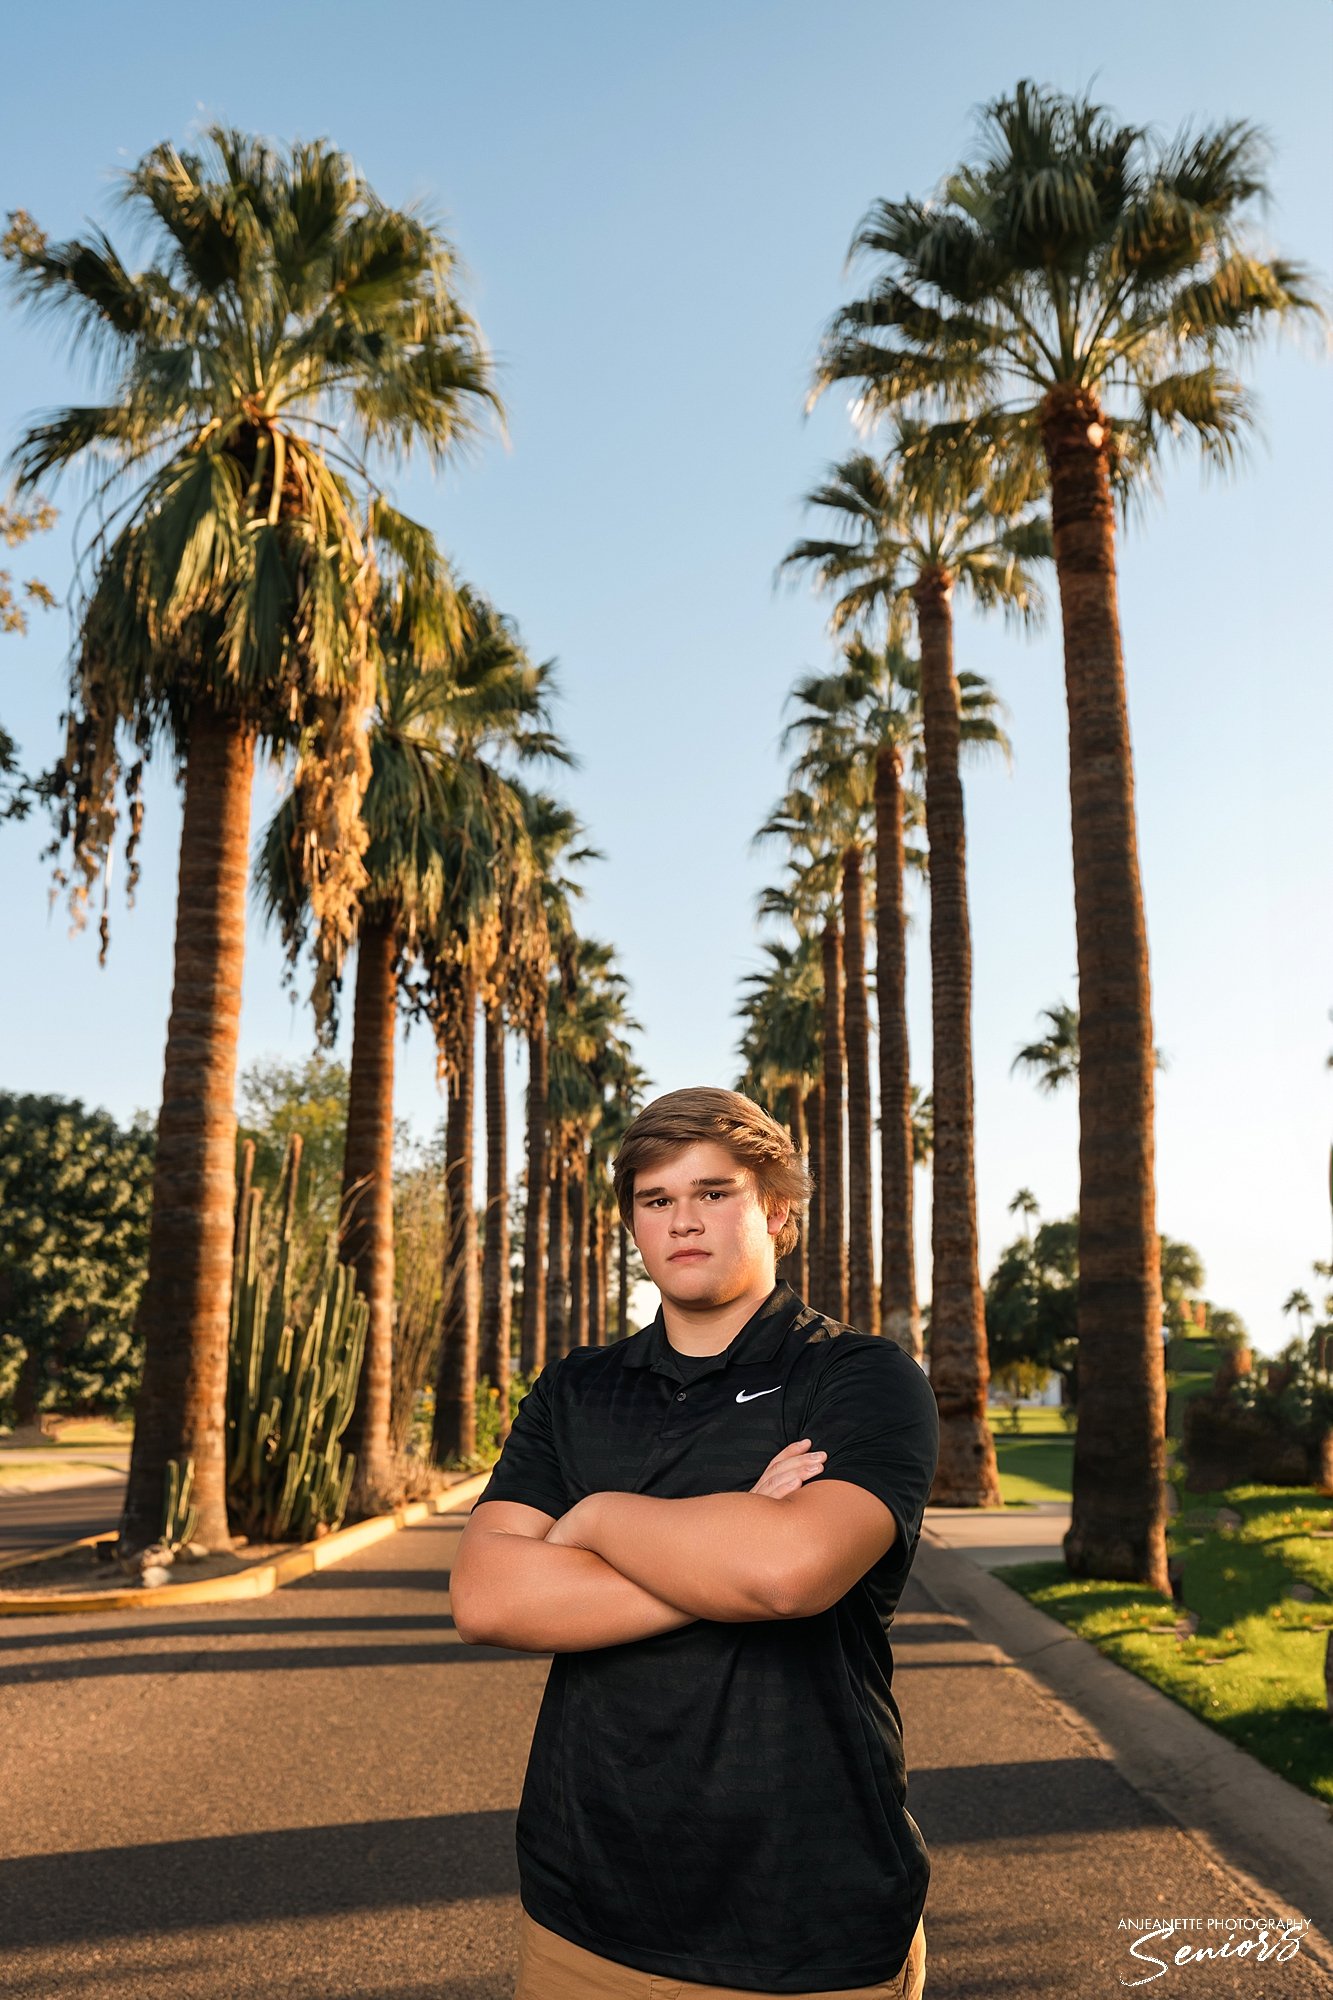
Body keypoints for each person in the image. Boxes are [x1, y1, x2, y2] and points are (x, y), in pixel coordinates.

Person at [452, 1086, 940, 1999]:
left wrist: (594, 1521)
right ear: (633, 1224)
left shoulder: (859, 1378)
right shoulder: (575, 1390)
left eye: (714, 1193)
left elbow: (789, 1576)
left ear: (776, 1209)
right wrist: (734, 1529)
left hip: (812, 1921)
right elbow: (487, 1598)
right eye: (656, 1199)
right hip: (583, 1912)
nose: (684, 1220)